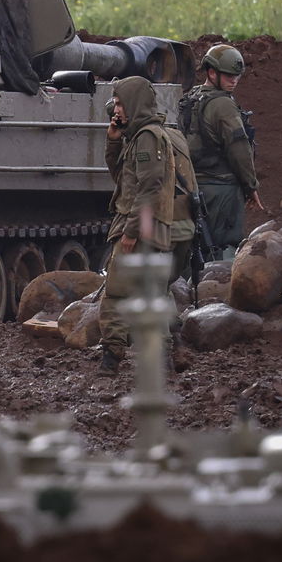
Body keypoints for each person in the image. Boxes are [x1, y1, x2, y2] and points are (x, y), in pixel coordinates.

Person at [96, 75, 198, 376]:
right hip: (157, 227)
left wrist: (131, 231)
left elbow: (149, 187)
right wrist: (114, 141)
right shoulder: (145, 134)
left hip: (143, 227)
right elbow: (125, 180)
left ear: (134, 104)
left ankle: (110, 360)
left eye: (119, 103)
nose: (116, 110)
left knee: (116, 292)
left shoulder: (147, 137)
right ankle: (167, 356)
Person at [181, 44, 262, 261]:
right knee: (226, 246)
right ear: (212, 72)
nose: (233, 80)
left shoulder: (192, 97)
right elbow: (239, 148)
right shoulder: (222, 104)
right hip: (223, 189)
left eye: (236, 76)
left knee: (196, 248)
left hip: (194, 187)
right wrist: (250, 185)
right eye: (228, 76)